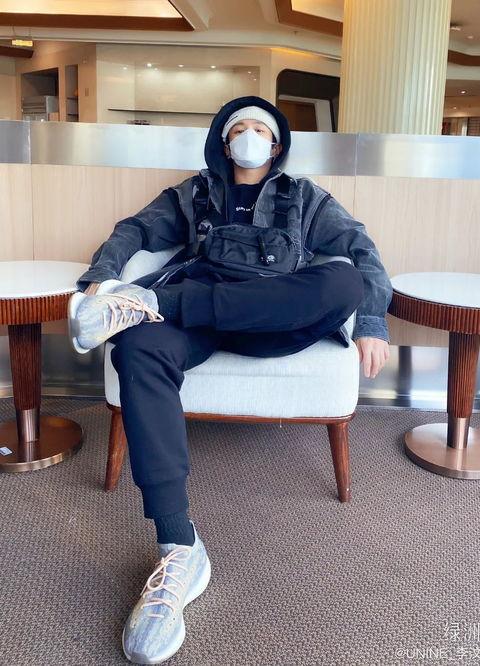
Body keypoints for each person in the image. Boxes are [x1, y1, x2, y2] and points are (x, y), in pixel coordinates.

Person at [69, 95, 392, 664]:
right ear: (224, 141)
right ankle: (179, 547)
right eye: (238, 128)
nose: (248, 137)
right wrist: (101, 277)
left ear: (277, 144)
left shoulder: (305, 197)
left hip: (267, 321)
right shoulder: (193, 193)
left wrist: (371, 323)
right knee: (136, 349)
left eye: (259, 130)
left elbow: (361, 251)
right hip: (200, 322)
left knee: (341, 282)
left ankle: (153, 303)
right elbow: (136, 229)